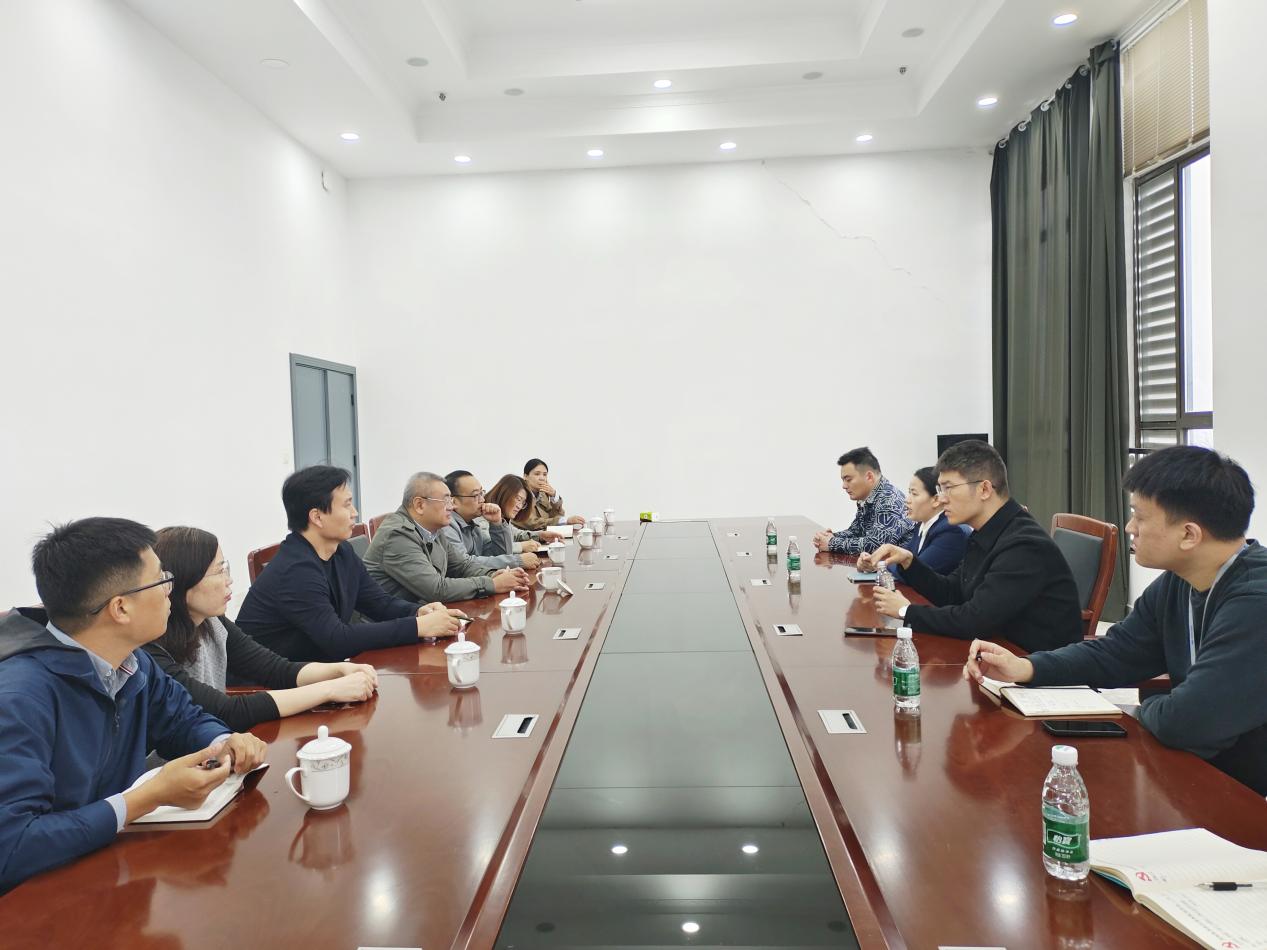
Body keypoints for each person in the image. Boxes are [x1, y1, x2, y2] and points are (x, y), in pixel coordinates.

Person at [964, 445, 1267, 796]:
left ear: (1189, 535)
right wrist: (1027, 668)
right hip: (1201, 775)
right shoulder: (1180, 581)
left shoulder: (1255, 600)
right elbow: (1117, 651)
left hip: (1247, 793)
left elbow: (1188, 722)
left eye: (1140, 516)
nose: (1129, 527)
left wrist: (1140, 708)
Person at [0, 518, 268, 892]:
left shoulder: (131, 659)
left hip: (114, 871)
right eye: (162, 580)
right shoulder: (19, 697)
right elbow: (12, 847)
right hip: (42, 900)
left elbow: (183, 719)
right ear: (121, 608)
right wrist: (145, 798)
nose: (170, 592)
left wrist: (223, 743)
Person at [145, 527, 379, 732]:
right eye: (219, 571)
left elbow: (275, 668)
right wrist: (329, 689)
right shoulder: (152, 651)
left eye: (226, 568)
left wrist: (339, 670)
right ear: (183, 582)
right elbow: (227, 711)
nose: (229, 580)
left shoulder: (213, 622)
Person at [860, 440, 1082, 653]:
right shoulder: (984, 533)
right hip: (998, 653)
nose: (942, 499)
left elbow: (974, 621)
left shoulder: (1024, 545)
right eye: (939, 489)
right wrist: (909, 562)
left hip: (1035, 666)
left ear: (984, 489)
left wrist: (905, 610)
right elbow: (953, 592)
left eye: (948, 488)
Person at [236, 465, 462, 663]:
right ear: (317, 517)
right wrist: (417, 627)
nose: (355, 513)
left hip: (316, 672)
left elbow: (378, 603)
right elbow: (337, 640)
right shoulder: (295, 571)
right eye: (347, 505)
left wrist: (419, 612)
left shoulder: (341, 551)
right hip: (267, 686)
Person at [364, 471, 531, 604]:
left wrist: (494, 574)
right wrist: (492, 584)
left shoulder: (434, 530)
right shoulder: (397, 535)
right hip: (390, 626)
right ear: (420, 505)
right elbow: (436, 589)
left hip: (422, 614)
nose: (451, 507)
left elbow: (462, 565)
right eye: (446, 501)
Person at [812, 447, 916, 554]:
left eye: (848, 480)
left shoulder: (889, 499)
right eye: (843, 480)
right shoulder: (870, 497)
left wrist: (831, 543)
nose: (844, 486)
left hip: (897, 564)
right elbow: (856, 531)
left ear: (869, 477)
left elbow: (876, 545)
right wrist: (831, 537)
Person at [443, 470, 540, 570]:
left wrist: (497, 524)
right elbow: (463, 565)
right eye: (476, 495)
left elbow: (499, 555)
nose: (482, 499)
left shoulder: (473, 525)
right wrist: (517, 561)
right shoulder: (446, 526)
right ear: (453, 502)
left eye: (482, 493)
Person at [886, 466, 970, 581]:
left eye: (914, 494)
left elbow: (913, 572)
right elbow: (902, 558)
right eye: (909, 492)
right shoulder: (921, 525)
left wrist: (884, 563)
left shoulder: (951, 530)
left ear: (936, 500)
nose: (907, 500)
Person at [485, 474, 563, 554]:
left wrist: (540, 535)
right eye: (518, 499)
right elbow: (487, 549)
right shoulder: (485, 515)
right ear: (504, 494)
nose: (519, 506)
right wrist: (521, 546)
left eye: (523, 503)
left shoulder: (503, 516)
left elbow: (517, 535)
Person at [514, 458, 587, 531]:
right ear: (525, 476)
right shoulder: (519, 495)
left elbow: (556, 517)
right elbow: (532, 523)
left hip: (544, 536)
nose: (542, 478)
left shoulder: (543, 494)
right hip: (524, 537)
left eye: (545, 475)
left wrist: (554, 497)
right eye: (537, 474)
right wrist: (565, 521)